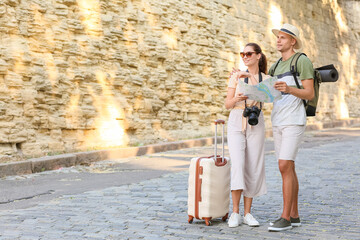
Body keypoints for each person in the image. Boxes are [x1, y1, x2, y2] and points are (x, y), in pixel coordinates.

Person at [267, 23, 315, 232]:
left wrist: (288, 88)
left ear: (292, 41)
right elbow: (269, 92)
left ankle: (284, 217)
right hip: (277, 120)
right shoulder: (276, 65)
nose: (278, 40)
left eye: (283, 38)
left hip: (294, 120)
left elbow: (309, 93)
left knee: (284, 165)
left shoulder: (302, 61)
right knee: (288, 167)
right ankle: (294, 216)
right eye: (277, 37)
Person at [225, 43, 269, 228]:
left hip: (255, 121)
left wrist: (251, 80)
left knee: (253, 166)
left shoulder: (266, 79)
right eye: (242, 53)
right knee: (238, 165)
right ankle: (234, 212)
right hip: (236, 120)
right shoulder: (236, 76)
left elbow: (267, 97)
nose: (245, 56)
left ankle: (248, 213)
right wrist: (237, 98)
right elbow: (227, 104)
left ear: (258, 56)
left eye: (249, 53)